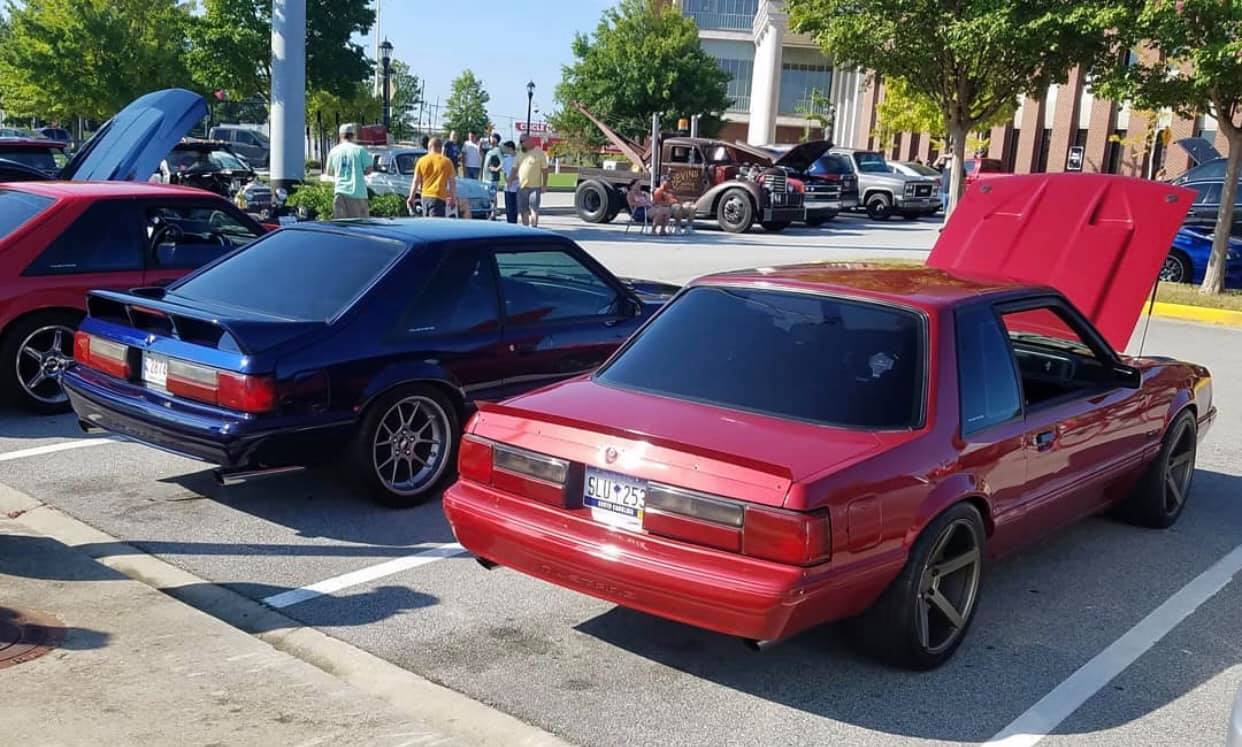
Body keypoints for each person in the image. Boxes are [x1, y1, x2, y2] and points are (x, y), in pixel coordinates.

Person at [323, 123, 372, 219]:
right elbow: (369, 170)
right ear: (353, 135)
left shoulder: (333, 151)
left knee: (342, 227)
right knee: (360, 227)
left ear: (340, 135)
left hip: (339, 194)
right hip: (357, 193)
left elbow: (329, 172)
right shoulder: (360, 150)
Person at [409, 137, 456, 217]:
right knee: (436, 226)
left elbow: (416, 181)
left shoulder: (421, 161)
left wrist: (411, 197)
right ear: (440, 148)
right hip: (438, 197)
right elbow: (452, 182)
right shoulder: (447, 162)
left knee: (426, 224)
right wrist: (452, 198)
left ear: (429, 147)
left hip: (424, 197)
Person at [515, 134, 549, 227]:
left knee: (534, 208)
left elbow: (545, 170)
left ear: (529, 141)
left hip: (535, 187)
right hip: (522, 186)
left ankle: (534, 228)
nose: (521, 144)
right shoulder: (520, 153)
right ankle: (526, 229)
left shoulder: (539, 153)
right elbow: (515, 168)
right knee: (523, 210)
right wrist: (510, 180)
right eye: (520, 142)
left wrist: (544, 185)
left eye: (523, 141)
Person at [484, 133, 504, 218]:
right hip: (485, 176)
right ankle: (487, 211)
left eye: (492, 137)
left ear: (496, 139)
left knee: (492, 195)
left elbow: (503, 162)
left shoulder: (497, 150)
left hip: (493, 178)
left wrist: (496, 169)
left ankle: (493, 212)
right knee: (486, 195)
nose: (490, 139)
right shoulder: (489, 150)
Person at [500, 141, 520, 224]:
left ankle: (514, 223)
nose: (504, 150)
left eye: (506, 148)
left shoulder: (518, 159)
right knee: (508, 208)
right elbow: (504, 172)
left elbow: (521, 173)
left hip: (516, 187)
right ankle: (509, 223)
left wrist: (513, 179)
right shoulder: (506, 159)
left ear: (510, 148)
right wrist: (507, 180)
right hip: (507, 187)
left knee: (514, 208)